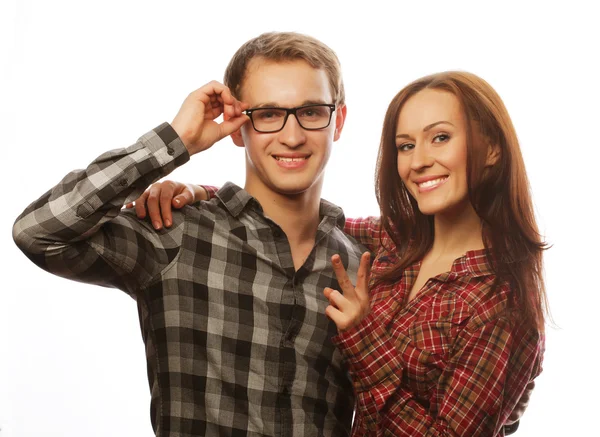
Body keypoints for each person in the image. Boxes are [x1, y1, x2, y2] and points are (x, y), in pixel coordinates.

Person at [134, 71, 547, 436]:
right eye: (405, 146)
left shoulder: (503, 301)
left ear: (492, 149)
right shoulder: (395, 244)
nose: (419, 161)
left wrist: (364, 337)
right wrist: (198, 193)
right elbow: (301, 221)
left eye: (440, 137)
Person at [12, 32, 370, 437]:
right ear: (238, 127)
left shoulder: (365, 266)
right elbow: (39, 233)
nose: (292, 135)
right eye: (269, 114)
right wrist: (174, 143)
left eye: (311, 111)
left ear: (337, 121)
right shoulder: (175, 233)